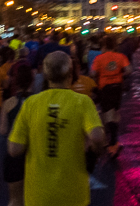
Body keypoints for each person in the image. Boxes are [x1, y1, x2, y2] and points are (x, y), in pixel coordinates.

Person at [7, 52, 106, 206]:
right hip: (74, 195)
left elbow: (14, 149)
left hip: (38, 195)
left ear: (45, 75)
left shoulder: (31, 103)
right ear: (71, 73)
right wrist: (94, 151)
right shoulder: (83, 102)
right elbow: (97, 137)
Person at [0, 63, 34, 206]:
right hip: (34, 154)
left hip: (13, 153)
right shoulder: (38, 102)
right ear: (32, 81)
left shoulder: (8, 103)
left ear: (16, 82)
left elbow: (2, 130)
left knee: (15, 199)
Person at [90, 35, 130, 156]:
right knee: (116, 112)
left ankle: (112, 143)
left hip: (105, 87)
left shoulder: (99, 58)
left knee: (108, 114)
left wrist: (100, 76)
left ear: (104, 46)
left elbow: (92, 73)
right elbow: (129, 70)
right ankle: (115, 141)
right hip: (117, 86)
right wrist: (119, 75)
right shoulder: (120, 56)